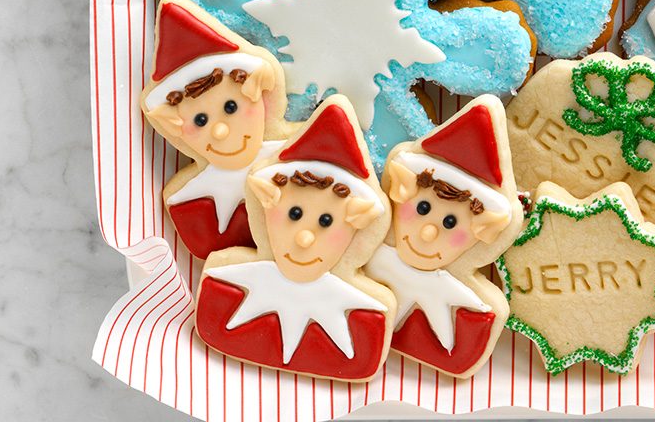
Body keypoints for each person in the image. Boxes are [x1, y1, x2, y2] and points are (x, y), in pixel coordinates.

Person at [195, 98, 395, 381]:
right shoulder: (224, 286)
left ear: (357, 227)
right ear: (265, 206)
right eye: (294, 213)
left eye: (327, 221)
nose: (304, 238)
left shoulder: (365, 318)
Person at [367, 97, 522, 378]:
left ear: (481, 232)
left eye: (451, 222)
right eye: (422, 208)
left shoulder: (473, 317)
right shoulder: (360, 273)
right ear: (400, 193)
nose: (428, 233)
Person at [141, 0, 287, 260]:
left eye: (231, 107)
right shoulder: (189, 205)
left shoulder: (303, 166)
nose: (220, 131)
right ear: (174, 126)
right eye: (200, 120)